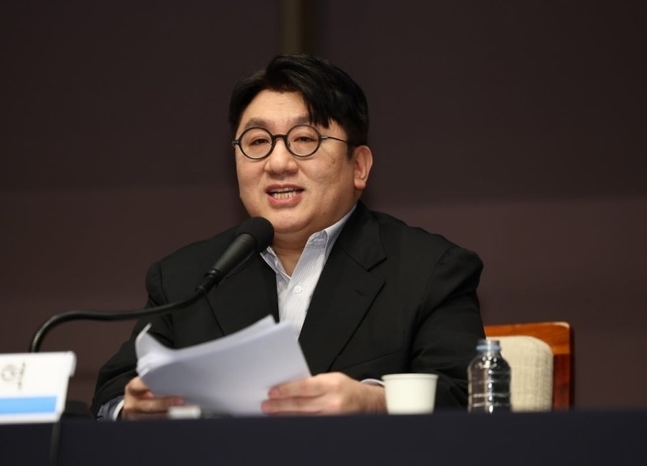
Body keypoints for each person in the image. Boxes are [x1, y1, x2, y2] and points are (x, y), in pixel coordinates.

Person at [91, 54, 485, 420]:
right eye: (258, 142)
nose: (278, 163)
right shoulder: (185, 278)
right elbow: (112, 394)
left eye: (305, 139)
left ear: (359, 166)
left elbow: (469, 400)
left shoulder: (430, 271)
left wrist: (374, 403)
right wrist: (132, 409)